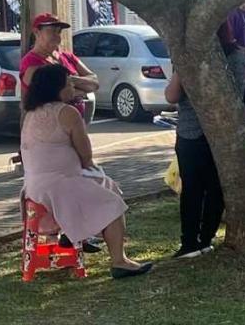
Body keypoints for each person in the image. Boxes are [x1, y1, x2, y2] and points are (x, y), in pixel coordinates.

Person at [21, 64, 152, 279]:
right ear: (57, 88)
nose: (73, 87)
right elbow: (86, 156)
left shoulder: (31, 113)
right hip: (59, 186)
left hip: (34, 188)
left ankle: (76, 233)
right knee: (112, 202)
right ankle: (119, 260)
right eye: (68, 83)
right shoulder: (68, 113)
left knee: (104, 185)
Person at [165, 67, 226, 259]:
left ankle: (191, 242)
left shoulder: (188, 60)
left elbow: (171, 96)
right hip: (218, 132)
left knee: (193, 190)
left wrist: (179, 70)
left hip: (192, 133)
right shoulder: (234, 59)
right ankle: (205, 239)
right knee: (215, 189)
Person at [20, 12, 99, 122]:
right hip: (49, 124)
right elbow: (48, 97)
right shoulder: (31, 62)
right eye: (52, 31)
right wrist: (82, 89)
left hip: (76, 122)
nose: (57, 36)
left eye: (59, 32)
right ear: (37, 32)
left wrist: (68, 81)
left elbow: (95, 83)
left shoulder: (67, 56)